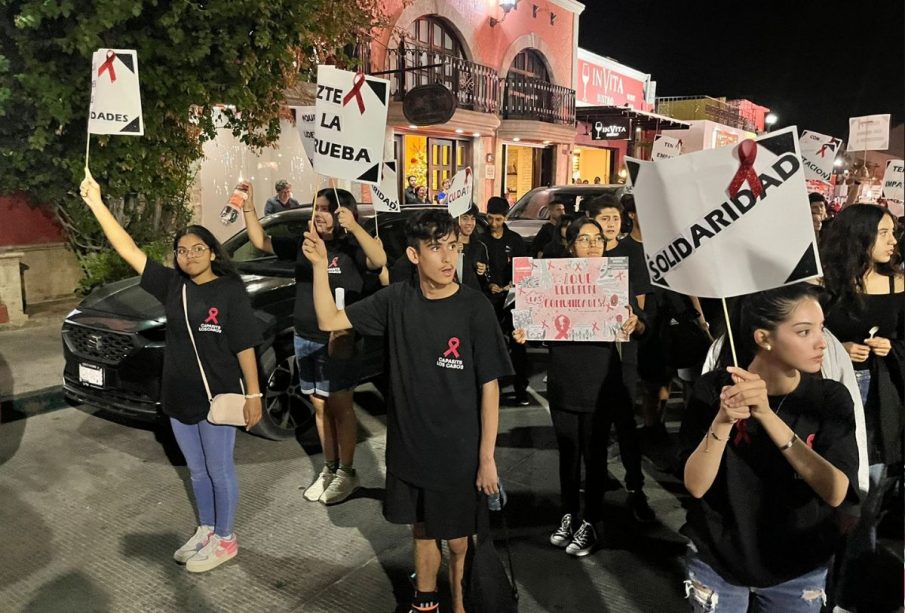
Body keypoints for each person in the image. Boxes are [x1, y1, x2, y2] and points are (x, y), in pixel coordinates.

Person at [301, 209, 513, 613]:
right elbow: (330, 319)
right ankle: (425, 601)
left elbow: (490, 388)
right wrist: (317, 266)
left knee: (457, 539)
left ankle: (462, 604)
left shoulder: (474, 308)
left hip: (459, 451)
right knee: (421, 530)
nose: (448, 258)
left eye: (452, 246)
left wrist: (486, 459)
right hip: (409, 447)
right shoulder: (395, 300)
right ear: (415, 256)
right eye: (436, 248)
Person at [80, 172, 263, 573]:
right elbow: (128, 249)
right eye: (182, 250)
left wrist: (254, 395)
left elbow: (244, 345)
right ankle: (208, 529)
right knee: (196, 470)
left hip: (218, 395)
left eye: (198, 248)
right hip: (178, 394)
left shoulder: (229, 291)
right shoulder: (172, 286)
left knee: (219, 469)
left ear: (213, 252)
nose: (190, 255)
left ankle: (226, 539)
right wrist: (96, 203)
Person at [680, 283, 858, 612]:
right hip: (719, 560)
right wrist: (722, 421)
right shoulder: (713, 389)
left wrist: (766, 415)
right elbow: (695, 484)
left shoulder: (829, 398)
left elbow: (836, 492)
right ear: (764, 337)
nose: (821, 342)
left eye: (822, 328)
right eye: (804, 332)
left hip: (797, 566)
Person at [243, 186, 387, 505]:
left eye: (326, 208)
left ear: (341, 213)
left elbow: (379, 259)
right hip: (304, 335)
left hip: (339, 338)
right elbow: (260, 241)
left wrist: (355, 226)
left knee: (341, 407)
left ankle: (347, 473)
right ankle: (330, 468)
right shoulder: (306, 244)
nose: (319, 213)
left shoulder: (351, 247)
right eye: (316, 207)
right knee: (320, 407)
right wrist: (249, 207)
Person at [513, 217, 647, 557]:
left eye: (598, 239)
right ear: (570, 245)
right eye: (584, 239)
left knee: (595, 454)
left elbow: (643, 325)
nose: (592, 245)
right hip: (564, 380)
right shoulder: (550, 280)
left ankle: (592, 521)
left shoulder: (614, 279)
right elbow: (529, 322)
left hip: (601, 381)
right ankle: (569, 514)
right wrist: (523, 331)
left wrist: (636, 322)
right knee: (568, 455)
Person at [819, 204, 903, 611]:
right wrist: (838, 349)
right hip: (833, 401)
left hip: (878, 404)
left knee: (866, 502)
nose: (893, 241)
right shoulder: (824, 286)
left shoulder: (899, 284)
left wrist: (892, 348)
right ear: (860, 237)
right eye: (884, 233)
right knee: (827, 496)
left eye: (893, 233)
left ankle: (851, 595)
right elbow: (807, 339)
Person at [584, 195, 657, 521]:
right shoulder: (580, 257)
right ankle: (594, 489)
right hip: (591, 356)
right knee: (594, 427)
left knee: (626, 423)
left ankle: (635, 487)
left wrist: (636, 321)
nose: (611, 223)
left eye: (615, 217)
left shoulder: (631, 255)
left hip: (623, 354)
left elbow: (640, 310)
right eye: (604, 218)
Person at [484, 196, 531, 405]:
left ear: (505, 219)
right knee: (490, 344)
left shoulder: (515, 240)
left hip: (513, 299)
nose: (494, 224)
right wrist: (489, 284)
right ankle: (491, 388)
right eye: (490, 219)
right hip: (489, 300)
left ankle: (521, 387)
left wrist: (513, 284)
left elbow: (525, 269)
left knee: (518, 344)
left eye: (499, 220)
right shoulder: (481, 240)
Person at [457, 204, 490, 292]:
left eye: (473, 218)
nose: (469, 223)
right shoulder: (447, 246)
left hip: (474, 297)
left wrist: (483, 270)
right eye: (465, 218)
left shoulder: (480, 247)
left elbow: (485, 280)